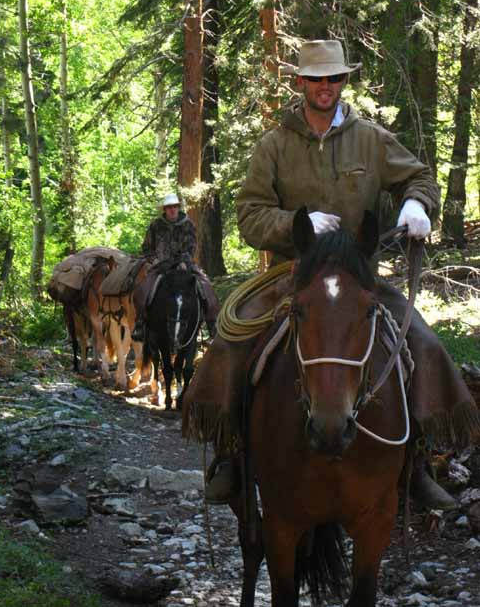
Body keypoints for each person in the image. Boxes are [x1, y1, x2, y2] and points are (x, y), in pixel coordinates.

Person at [182, 40, 479, 509]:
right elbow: (249, 214)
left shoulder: (372, 138)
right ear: (300, 82)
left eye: (334, 78)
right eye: (317, 78)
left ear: (344, 81)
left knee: (421, 342)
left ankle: (416, 462)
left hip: (360, 278)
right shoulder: (274, 145)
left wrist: (417, 203)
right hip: (293, 275)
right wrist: (295, 222)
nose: (326, 86)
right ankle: (231, 455)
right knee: (230, 342)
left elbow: (420, 177)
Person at [132, 193, 219, 340]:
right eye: (169, 207)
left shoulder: (188, 224)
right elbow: (147, 247)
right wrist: (153, 259)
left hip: (183, 264)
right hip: (161, 265)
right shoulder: (155, 225)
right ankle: (140, 323)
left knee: (206, 286)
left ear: (178, 208)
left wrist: (185, 261)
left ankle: (211, 323)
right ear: (164, 209)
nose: (172, 210)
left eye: (174, 207)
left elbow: (192, 246)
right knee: (143, 289)